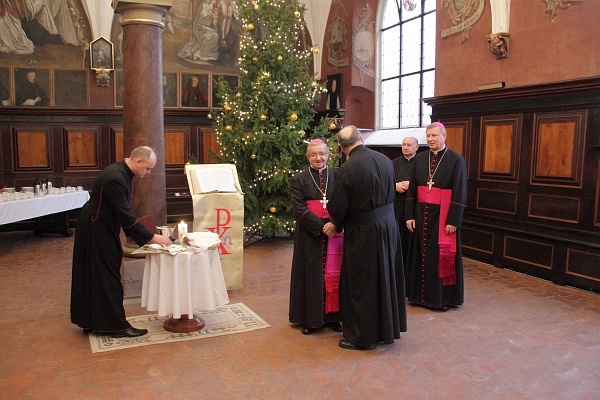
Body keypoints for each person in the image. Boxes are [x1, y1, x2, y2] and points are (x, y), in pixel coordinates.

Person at [70, 146, 172, 338]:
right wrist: (151, 237)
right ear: (138, 161)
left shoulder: (121, 172)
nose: (148, 173)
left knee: (97, 274)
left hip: (98, 225)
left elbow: (123, 212)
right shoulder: (115, 178)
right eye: (148, 168)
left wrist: (144, 235)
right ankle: (116, 327)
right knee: (107, 275)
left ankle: (94, 321)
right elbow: (125, 214)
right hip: (96, 229)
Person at [327, 125, 407, 350]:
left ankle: (362, 337)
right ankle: (385, 330)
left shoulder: (347, 168)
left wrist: (336, 223)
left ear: (342, 148)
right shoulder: (385, 160)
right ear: (361, 138)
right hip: (388, 225)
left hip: (363, 231)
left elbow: (338, 207)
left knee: (362, 283)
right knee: (385, 277)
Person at [405, 122, 467, 311]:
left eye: (434, 135)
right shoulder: (420, 159)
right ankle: (418, 296)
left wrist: (453, 221)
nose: (431, 139)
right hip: (421, 213)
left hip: (443, 216)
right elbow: (412, 190)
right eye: (428, 135)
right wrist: (409, 215)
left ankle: (442, 299)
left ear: (444, 136)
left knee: (439, 256)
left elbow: (459, 191)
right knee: (420, 254)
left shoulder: (456, 160)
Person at [289, 139, 343, 335]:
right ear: (307, 157)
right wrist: (321, 227)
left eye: (322, 154)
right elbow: (298, 210)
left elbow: (345, 202)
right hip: (309, 234)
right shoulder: (298, 179)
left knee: (336, 274)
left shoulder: (338, 175)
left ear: (328, 154)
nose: (318, 158)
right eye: (313, 154)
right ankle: (310, 318)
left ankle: (334, 316)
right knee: (310, 275)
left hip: (335, 231)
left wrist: (334, 223)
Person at [392, 136, 419, 267]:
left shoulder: (421, 163)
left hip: (415, 207)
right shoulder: (393, 163)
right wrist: (394, 186)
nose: (406, 147)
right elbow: (386, 182)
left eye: (409, 145)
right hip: (397, 206)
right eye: (403, 145)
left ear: (416, 147)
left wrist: (412, 185)